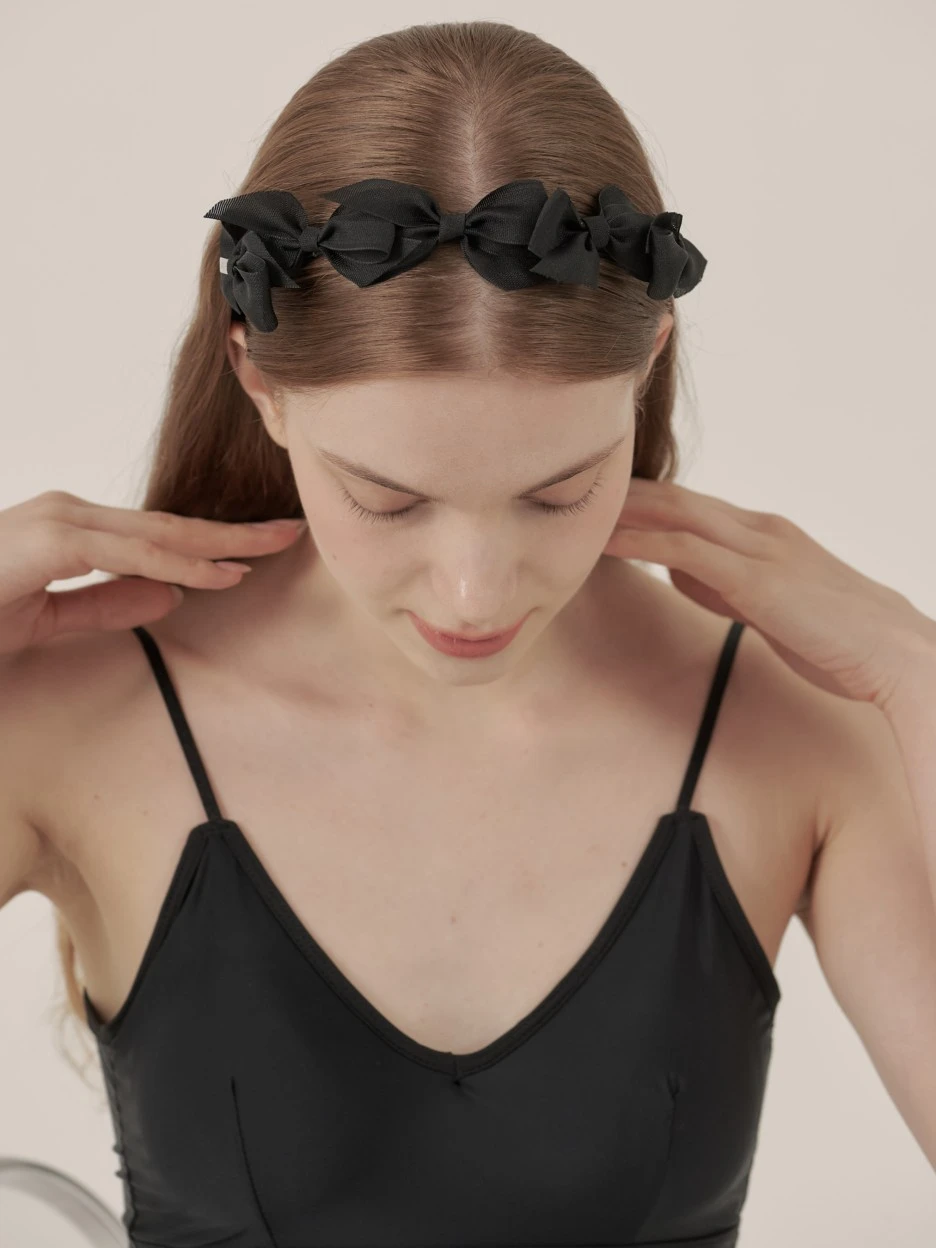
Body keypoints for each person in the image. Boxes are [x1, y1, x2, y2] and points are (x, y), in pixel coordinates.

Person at [3, 18, 931, 1248]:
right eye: (387, 501)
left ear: (648, 362)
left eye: (560, 492)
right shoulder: (75, 717)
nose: (475, 595)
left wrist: (918, 677)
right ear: (261, 382)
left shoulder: (800, 724)